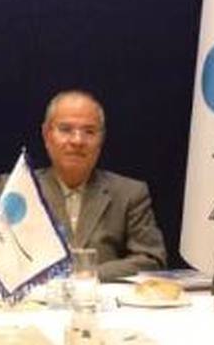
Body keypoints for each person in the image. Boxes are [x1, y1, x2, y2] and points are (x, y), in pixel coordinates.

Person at [29, 90, 166, 280]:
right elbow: (2, 261)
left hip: (104, 297)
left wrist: (87, 274)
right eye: (66, 129)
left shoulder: (130, 193)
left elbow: (151, 259)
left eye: (89, 131)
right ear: (47, 135)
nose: (77, 140)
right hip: (39, 298)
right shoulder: (21, 189)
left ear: (100, 140)